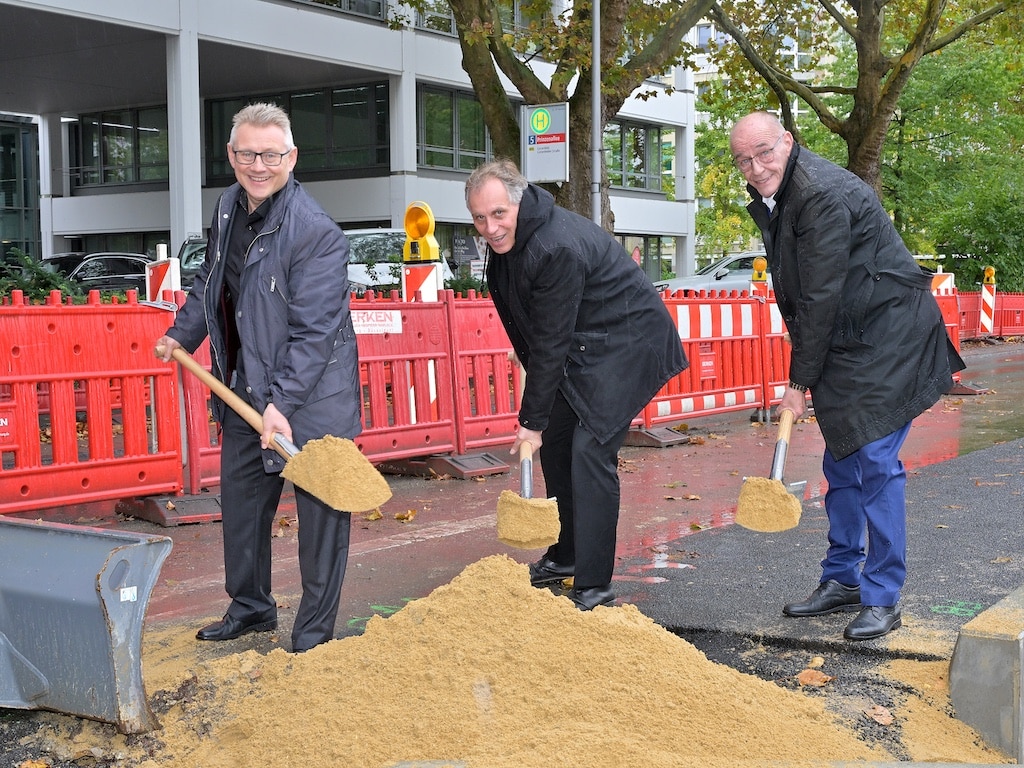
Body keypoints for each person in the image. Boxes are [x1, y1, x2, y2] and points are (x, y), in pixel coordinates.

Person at [730, 111, 965, 640]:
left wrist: (797, 384)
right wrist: (807, 368)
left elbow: (819, 296)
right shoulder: (784, 193)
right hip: (848, 337)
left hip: (888, 338)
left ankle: (882, 595)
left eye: (764, 153)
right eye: (744, 160)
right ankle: (843, 578)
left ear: (787, 141)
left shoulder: (819, 194)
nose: (756, 167)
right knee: (841, 460)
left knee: (875, 461)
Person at [155, 102, 361, 653]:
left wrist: (283, 404)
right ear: (231, 155)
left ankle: (313, 636)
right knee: (243, 507)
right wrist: (181, 334)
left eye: (271, 155)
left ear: (291, 157)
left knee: (321, 518)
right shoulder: (228, 206)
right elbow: (210, 279)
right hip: (248, 387)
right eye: (248, 154)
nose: (258, 166)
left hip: (313, 398)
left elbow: (314, 333)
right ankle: (250, 607)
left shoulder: (315, 233)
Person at [465, 159, 688, 610]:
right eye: (479, 218)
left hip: (626, 346)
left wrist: (531, 421)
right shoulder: (513, 241)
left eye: (498, 214)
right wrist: (538, 406)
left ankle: (594, 584)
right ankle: (565, 555)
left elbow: (552, 343)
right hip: (584, 345)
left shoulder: (555, 246)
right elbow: (532, 319)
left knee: (589, 452)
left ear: (519, 202)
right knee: (558, 444)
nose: (490, 227)